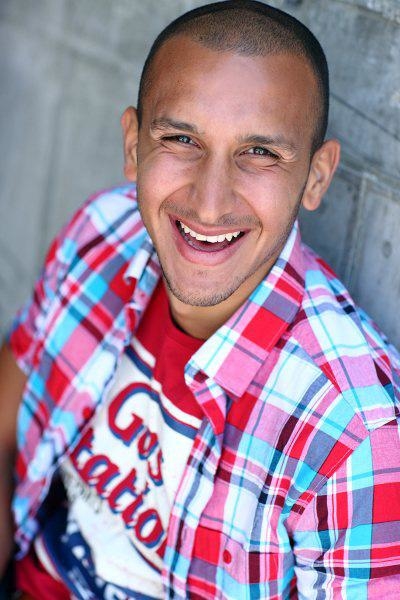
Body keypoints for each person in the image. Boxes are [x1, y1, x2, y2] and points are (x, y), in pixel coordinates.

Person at [0, 0, 399, 598]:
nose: (210, 204)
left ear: (316, 177)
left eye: (260, 153)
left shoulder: (356, 431)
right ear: (133, 147)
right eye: (181, 138)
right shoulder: (103, 235)